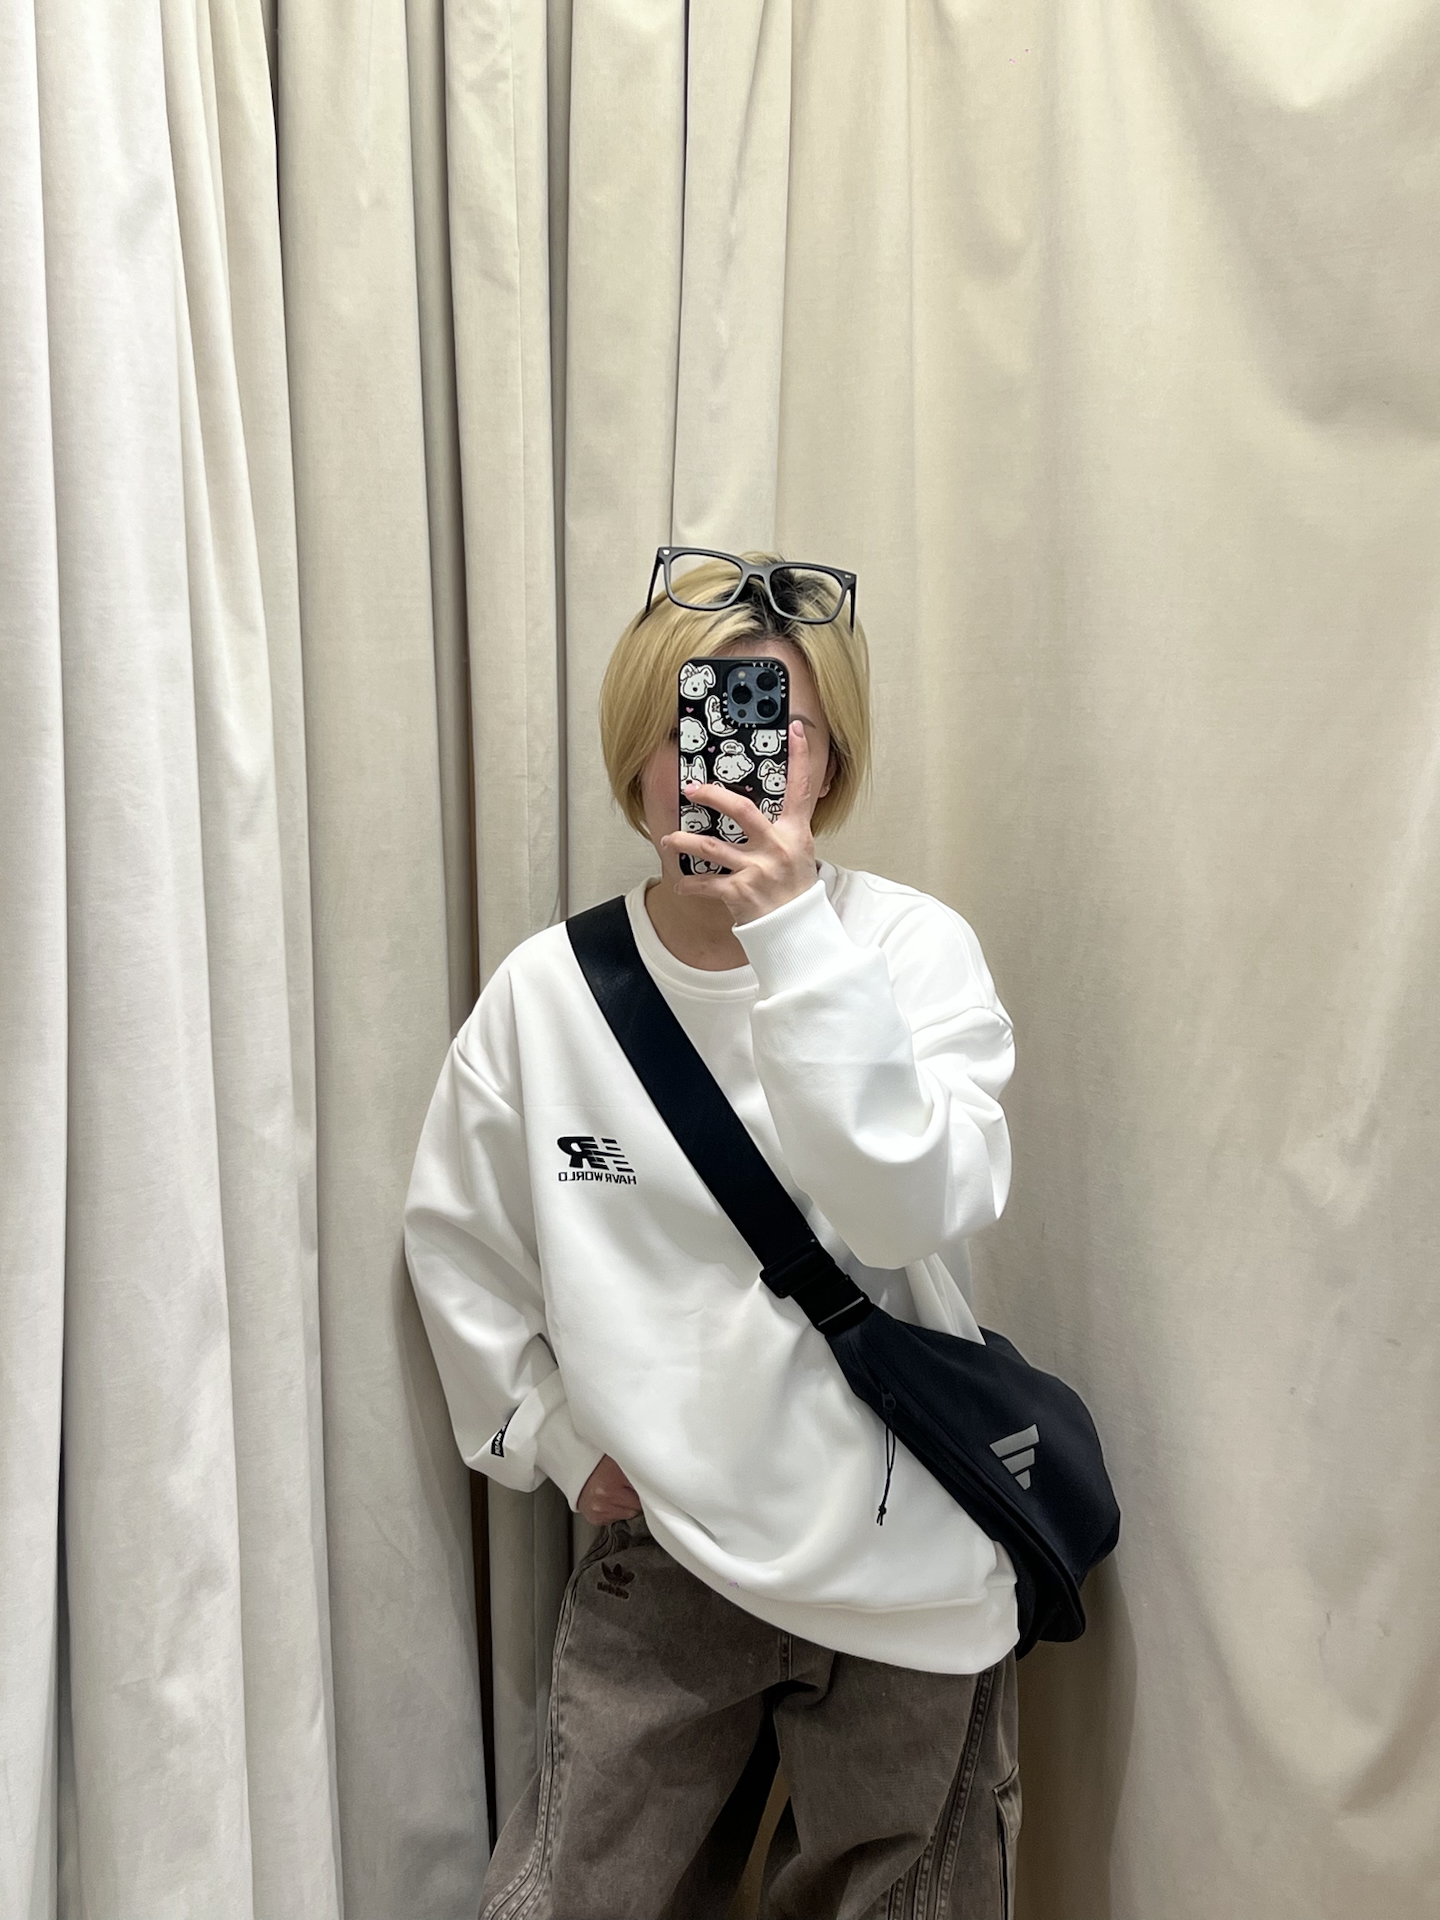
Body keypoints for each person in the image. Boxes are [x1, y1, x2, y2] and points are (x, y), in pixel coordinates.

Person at [404, 551, 1023, 1920]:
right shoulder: (550, 993)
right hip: (670, 1548)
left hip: (907, 1557)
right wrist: (551, 1435)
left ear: (829, 757)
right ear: (639, 746)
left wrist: (795, 942)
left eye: (774, 726)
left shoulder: (911, 951)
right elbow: (460, 1239)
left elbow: (905, 1209)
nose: (731, 759)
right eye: (695, 717)